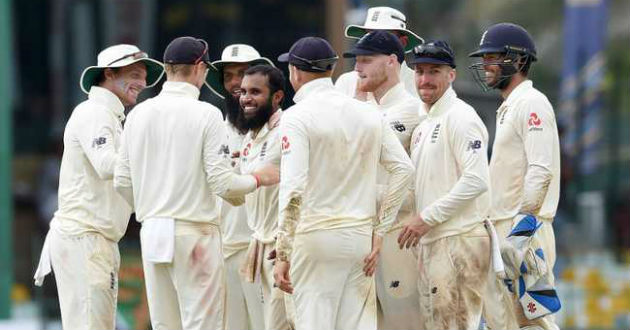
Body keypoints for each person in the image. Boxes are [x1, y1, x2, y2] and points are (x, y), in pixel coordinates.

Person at [113, 36, 279, 330]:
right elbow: (223, 185)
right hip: (195, 233)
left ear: (166, 68)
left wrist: (155, 207)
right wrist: (256, 179)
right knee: (202, 324)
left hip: (152, 230)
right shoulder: (206, 114)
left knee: (165, 323)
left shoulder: (137, 114)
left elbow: (122, 182)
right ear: (201, 68)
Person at [272, 36, 414, 330]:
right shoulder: (367, 113)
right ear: (331, 70)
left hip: (315, 237)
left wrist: (283, 251)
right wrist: (379, 231)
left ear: (295, 72)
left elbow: (293, 188)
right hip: (360, 239)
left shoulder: (296, 117)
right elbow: (403, 170)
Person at [33, 44, 164, 330]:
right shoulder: (93, 112)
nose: (142, 83)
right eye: (134, 74)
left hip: (96, 240)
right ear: (108, 73)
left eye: (143, 77)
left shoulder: (111, 117)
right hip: (85, 238)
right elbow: (107, 166)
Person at [469, 22, 561, 330]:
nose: (486, 65)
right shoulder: (510, 106)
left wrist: (521, 232)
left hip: (526, 232)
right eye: (484, 58)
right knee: (502, 322)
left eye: (493, 57)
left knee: (536, 322)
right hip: (503, 231)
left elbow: (541, 168)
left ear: (518, 60)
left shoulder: (532, 103)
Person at [398, 40, 491, 330]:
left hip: (459, 240)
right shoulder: (426, 120)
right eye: (419, 71)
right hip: (435, 242)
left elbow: (476, 180)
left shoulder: (461, 117)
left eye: (434, 71)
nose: (424, 80)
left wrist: (426, 218)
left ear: (451, 75)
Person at [342, 30, 423, 330]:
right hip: (365, 232)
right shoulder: (367, 109)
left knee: (405, 323)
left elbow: (359, 146)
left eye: (366, 60)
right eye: (356, 61)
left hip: (398, 234)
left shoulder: (410, 109)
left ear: (392, 62)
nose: (357, 68)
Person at [207, 43, 273, 330]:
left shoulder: (281, 130)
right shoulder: (213, 132)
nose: (237, 83)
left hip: (265, 247)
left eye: (244, 73)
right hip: (223, 250)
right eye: (230, 76)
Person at [237, 65, 293, 330]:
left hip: (280, 247)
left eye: (255, 92)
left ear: (278, 97)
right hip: (259, 245)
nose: (246, 98)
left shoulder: (287, 129)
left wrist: (287, 247)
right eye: (243, 91)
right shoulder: (250, 135)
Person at [335, 6, 423, 100]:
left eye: (383, 37)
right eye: (368, 36)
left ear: (403, 42)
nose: (372, 42)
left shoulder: (421, 84)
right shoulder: (346, 82)